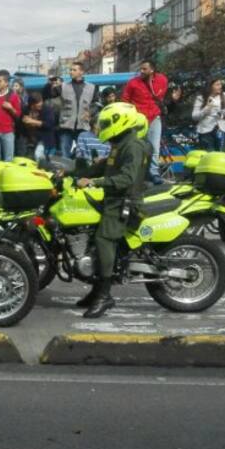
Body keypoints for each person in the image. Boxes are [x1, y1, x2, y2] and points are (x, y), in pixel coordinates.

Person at [74, 103, 151, 318]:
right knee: (90, 235)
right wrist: (69, 172)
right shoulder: (119, 143)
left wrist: (94, 182)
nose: (104, 127)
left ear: (121, 122)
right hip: (113, 199)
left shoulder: (133, 146)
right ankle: (96, 290)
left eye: (107, 123)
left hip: (125, 203)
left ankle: (104, 296)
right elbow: (98, 167)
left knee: (103, 240)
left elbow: (126, 178)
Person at [121, 59, 168, 183]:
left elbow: (160, 95)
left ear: (152, 70)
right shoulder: (133, 83)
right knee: (138, 147)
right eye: (140, 69)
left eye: (144, 69)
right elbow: (125, 99)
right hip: (138, 119)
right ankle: (136, 172)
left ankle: (154, 172)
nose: (141, 71)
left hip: (154, 117)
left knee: (154, 146)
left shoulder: (161, 79)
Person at [56, 62, 96, 157]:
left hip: (83, 127)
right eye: (70, 70)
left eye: (74, 70)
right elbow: (48, 94)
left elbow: (96, 104)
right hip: (66, 127)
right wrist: (51, 84)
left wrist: (90, 113)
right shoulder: (63, 86)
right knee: (65, 155)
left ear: (81, 72)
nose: (71, 72)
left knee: (83, 155)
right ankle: (64, 171)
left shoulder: (92, 87)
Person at [191, 79, 225, 151]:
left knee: (223, 155)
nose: (220, 87)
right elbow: (194, 116)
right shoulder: (201, 97)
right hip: (205, 131)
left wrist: (223, 112)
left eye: (220, 84)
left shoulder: (224, 96)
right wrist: (206, 109)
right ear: (210, 86)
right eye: (217, 85)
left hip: (222, 130)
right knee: (209, 156)